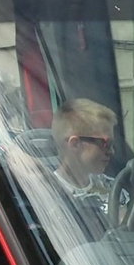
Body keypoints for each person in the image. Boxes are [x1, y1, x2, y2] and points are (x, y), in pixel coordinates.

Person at [50, 98, 123, 229]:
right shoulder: (50, 194)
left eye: (113, 145)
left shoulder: (114, 188)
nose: (111, 151)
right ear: (75, 144)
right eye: (105, 144)